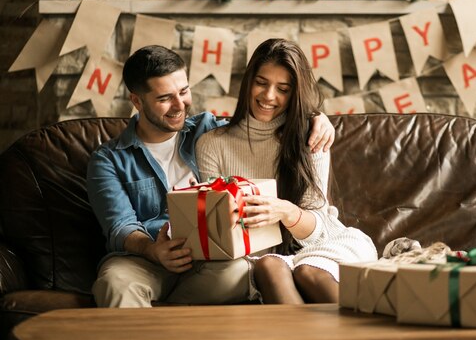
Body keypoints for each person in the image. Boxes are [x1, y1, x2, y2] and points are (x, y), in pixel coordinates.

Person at [86, 44, 335, 308]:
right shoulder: (108, 160)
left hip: (208, 261)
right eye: (164, 98)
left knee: (243, 271)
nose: (179, 105)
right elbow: (120, 226)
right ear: (137, 101)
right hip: (143, 260)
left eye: (183, 92)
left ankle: (159, 320)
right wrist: (152, 250)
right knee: (113, 282)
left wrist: (315, 118)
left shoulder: (207, 132)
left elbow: (259, 126)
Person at [196, 38, 378, 304]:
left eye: (283, 88)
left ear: (295, 93)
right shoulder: (212, 144)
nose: (269, 96)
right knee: (268, 266)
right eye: (261, 83)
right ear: (248, 82)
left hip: (323, 245)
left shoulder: (311, 137)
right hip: (260, 258)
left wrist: (284, 210)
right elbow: (218, 229)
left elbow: (321, 228)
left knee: (308, 272)